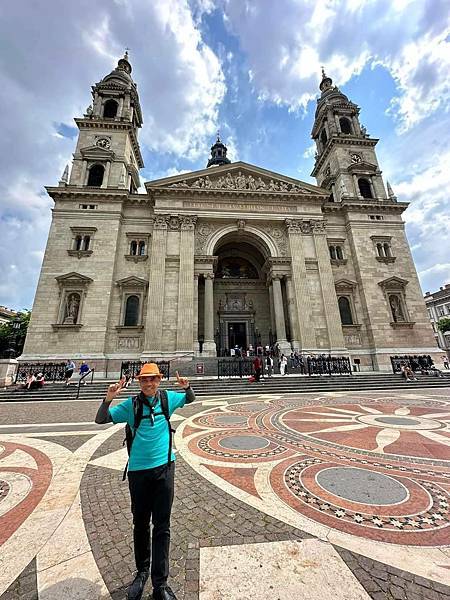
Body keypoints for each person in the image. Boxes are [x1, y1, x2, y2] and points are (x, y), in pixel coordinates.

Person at [95, 363, 194, 600]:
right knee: (140, 524)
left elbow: (189, 399)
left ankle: (160, 584)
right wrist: (108, 399)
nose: (149, 384)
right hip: (139, 472)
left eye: (153, 379)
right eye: (145, 380)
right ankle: (141, 573)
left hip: (164, 469)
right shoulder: (132, 405)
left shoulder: (168, 398)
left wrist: (188, 387)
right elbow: (101, 419)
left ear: (159, 380)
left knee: (163, 525)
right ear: (140, 382)